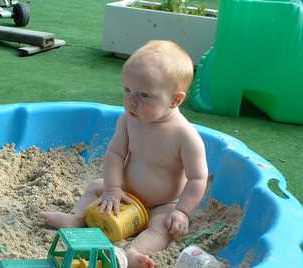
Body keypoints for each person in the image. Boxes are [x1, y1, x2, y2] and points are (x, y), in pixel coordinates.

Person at [40, 40, 209, 268]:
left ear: (175, 100)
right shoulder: (128, 120)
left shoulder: (185, 136)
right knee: (94, 187)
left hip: (162, 203)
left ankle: (134, 252)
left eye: (144, 95)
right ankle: (77, 218)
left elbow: (198, 178)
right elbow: (115, 154)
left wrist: (182, 212)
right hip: (125, 193)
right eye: (127, 90)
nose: (131, 100)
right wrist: (112, 189)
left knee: (163, 227)